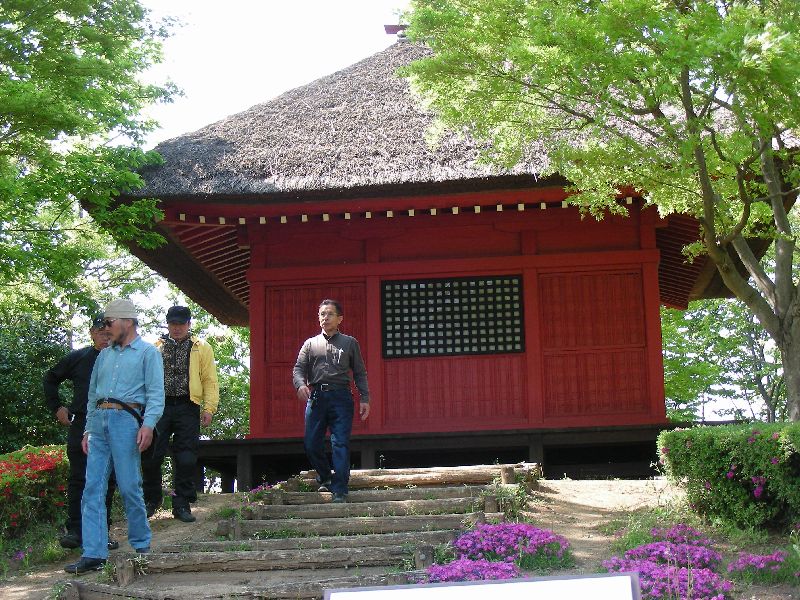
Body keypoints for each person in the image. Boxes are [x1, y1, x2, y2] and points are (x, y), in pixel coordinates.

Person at [64, 299, 164, 575]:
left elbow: (156, 394)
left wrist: (148, 425)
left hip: (127, 421)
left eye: (109, 322)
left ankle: (142, 546)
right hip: (99, 423)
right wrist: (88, 429)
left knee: (130, 486)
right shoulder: (104, 355)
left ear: (127, 322)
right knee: (91, 488)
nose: (106, 328)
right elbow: (92, 395)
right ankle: (94, 553)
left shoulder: (148, 353)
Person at [43, 316, 119, 551]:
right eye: (101, 333)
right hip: (82, 422)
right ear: (92, 333)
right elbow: (50, 378)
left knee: (108, 478)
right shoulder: (80, 357)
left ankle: (101, 530)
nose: (105, 337)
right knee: (79, 477)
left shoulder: (122, 358)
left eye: (109, 333)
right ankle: (75, 530)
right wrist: (57, 407)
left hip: (112, 422)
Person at [142, 305, 219, 523]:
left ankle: (181, 503)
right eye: (173, 324)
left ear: (189, 324)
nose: (177, 328)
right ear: (168, 325)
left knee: (186, 458)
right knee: (151, 454)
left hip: (188, 405)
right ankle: (152, 499)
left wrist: (209, 408)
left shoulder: (201, 347)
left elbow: (209, 380)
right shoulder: (154, 348)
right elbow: (143, 380)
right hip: (159, 406)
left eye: (181, 324)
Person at [292, 299, 370, 503]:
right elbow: (298, 369)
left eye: (330, 314)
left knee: (340, 443)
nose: (325, 318)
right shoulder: (310, 344)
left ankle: (340, 489)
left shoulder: (350, 343)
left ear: (339, 319)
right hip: (317, 397)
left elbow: (360, 372)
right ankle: (325, 475)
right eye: (322, 314)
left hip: (341, 397)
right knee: (311, 443)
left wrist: (365, 398)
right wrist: (300, 384)